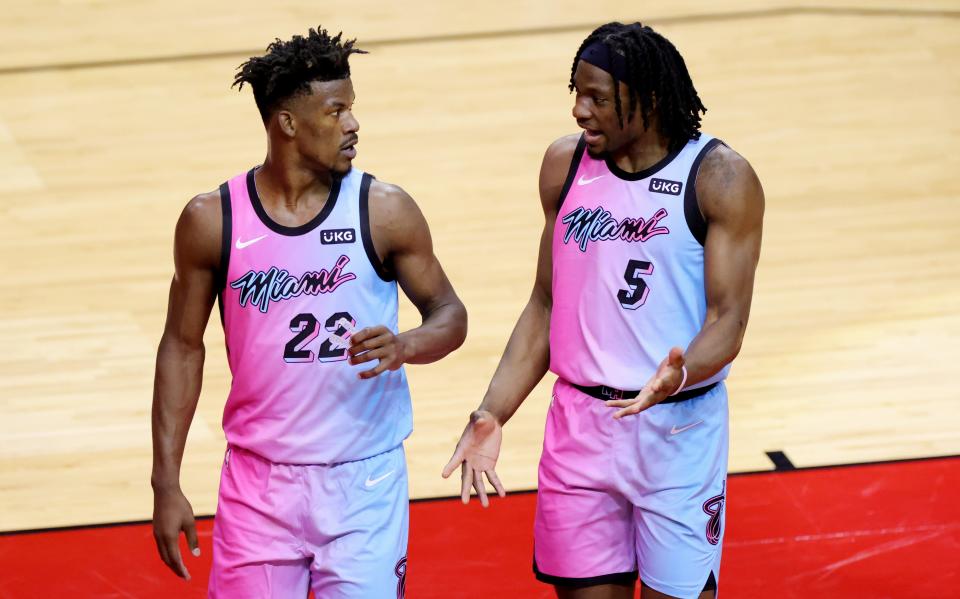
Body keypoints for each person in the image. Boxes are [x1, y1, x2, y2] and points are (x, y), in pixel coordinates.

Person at [444, 21, 764, 599]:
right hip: (579, 429)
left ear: (648, 100)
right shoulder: (563, 166)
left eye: (596, 97)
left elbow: (729, 319)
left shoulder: (718, 177)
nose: (577, 110)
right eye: (576, 92)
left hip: (676, 427)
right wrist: (492, 410)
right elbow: (545, 304)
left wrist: (679, 373)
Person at [151, 27, 466, 598]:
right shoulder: (212, 220)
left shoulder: (383, 209)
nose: (353, 124)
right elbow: (182, 346)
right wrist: (165, 481)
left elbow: (450, 314)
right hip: (257, 486)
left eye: (352, 109)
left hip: (363, 479)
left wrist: (407, 345)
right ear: (288, 124)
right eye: (336, 110)